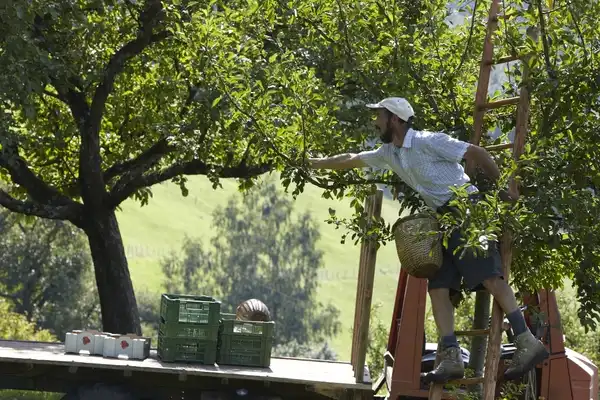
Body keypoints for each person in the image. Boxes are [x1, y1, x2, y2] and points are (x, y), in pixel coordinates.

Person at [307, 97, 549, 383]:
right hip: (442, 220)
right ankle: (451, 358)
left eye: (380, 117)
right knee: (438, 286)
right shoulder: (389, 153)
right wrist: (313, 162)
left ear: (394, 119)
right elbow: (351, 159)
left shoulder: (427, 141)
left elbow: (478, 153)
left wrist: (505, 191)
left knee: (489, 277)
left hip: (466, 208)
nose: (376, 122)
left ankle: (526, 341)